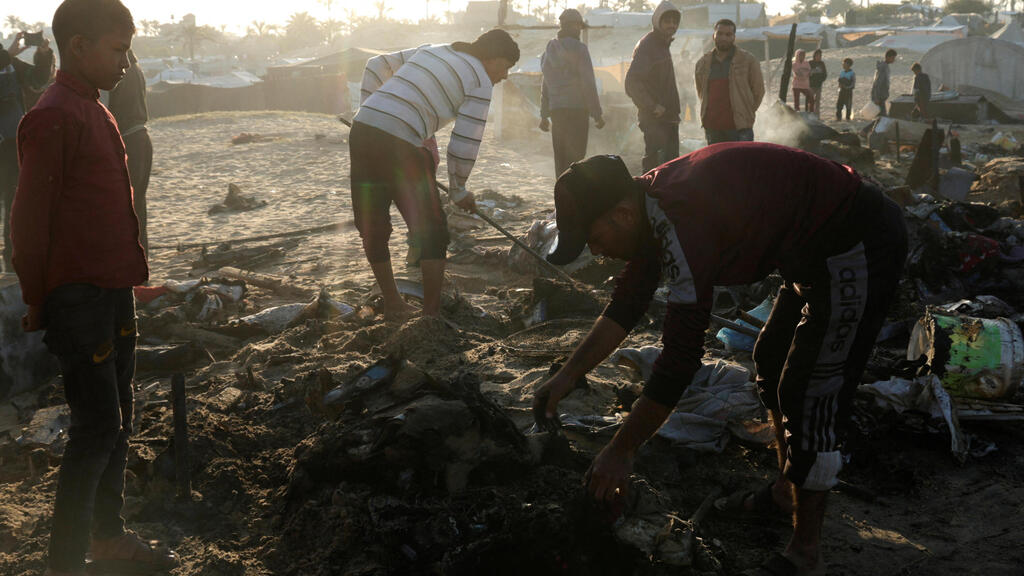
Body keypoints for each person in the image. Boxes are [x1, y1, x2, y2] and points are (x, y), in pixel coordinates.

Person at [533, 144, 907, 576]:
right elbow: (627, 302)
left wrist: (623, 449)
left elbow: (681, 357)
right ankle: (788, 490)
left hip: (857, 241)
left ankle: (806, 555)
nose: (596, 253)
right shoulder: (647, 205)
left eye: (595, 239)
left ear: (621, 214)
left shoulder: (681, 223)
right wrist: (566, 376)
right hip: (808, 255)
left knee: (811, 391)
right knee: (770, 358)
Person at [10, 1, 178, 575]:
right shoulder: (53, 116)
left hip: (113, 291)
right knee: (96, 427)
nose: (126, 61)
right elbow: (30, 221)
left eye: (128, 48)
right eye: (116, 48)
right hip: (77, 297)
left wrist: (132, 279)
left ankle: (107, 536)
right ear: (77, 46)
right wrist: (37, 297)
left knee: (120, 416)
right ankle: (64, 562)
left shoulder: (96, 111)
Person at [352, 29, 519, 319]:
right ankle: (430, 314)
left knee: (372, 223)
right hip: (401, 142)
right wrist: (459, 190)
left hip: (362, 129)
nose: (504, 76)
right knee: (431, 230)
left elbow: (376, 65)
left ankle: (393, 304)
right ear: (492, 57)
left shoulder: (435, 49)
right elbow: (465, 142)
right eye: (505, 67)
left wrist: (372, 106)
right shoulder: (480, 80)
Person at [1, 32, 55, 272]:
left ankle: (11, 262)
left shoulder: (10, 64)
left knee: (14, 205)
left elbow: (37, 81)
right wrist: (7, 56)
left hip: (12, 146)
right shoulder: (6, 59)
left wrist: (43, 56)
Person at [539, 8, 604, 177]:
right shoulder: (580, 49)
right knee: (576, 157)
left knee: (560, 156)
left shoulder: (549, 51)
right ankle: (574, 196)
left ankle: (561, 194)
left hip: (557, 111)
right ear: (574, 26)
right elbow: (588, 83)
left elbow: (546, 84)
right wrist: (597, 114)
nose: (579, 31)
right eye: (578, 27)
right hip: (577, 110)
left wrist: (544, 115)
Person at [104, 48, 151, 253]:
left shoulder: (115, 73)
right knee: (138, 207)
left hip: (128, 140)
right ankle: (141, 263)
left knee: (127, 207)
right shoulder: (137, 69)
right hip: (141, 138)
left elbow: (105, 111)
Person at [625, 1, 681, 172]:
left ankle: (660, 199)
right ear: (658, 22)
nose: (672, 25)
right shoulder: (649, 45)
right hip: (656, 119)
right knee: (656, 167)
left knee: (669, 167)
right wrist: (652, 106)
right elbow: (632, 82)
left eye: (674, 21)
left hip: (668, 118)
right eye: (667, 21)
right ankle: (649, 199)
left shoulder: (662, 45)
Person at [694, 18, 764, 145]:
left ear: (734, 37)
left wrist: (746, 112)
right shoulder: (703, 63)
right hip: (712, 128)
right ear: (713, 36)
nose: (724, 38)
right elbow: (701, 92)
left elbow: (758, 91)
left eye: (728, 34)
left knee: (741, 164)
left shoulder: (748, 60)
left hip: (739, 129)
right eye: (720, 34)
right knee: (717, 164)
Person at [871, 48, 896, 117]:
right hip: (879, 96)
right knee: (882, 116)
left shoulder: (884, 66)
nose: (894, 60)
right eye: (893, 58)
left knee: (881, 115)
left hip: (881, 95)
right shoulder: (883, 67)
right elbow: (878, 83)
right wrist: (876, 97)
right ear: (888, 57)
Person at [808, 49, 827, 117]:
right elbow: (807, 73)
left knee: (818, 101)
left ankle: (817, 115)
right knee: (810, 100)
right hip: (811, 85)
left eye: (820, 56)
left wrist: (821, 80)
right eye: (818, 55)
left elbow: (825, 74)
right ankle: (809, 114)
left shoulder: (822, 64)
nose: (819, 57)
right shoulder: (810, 63)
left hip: (819, 85)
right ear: (814, 56)